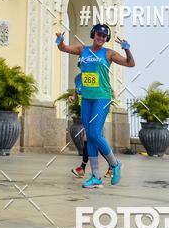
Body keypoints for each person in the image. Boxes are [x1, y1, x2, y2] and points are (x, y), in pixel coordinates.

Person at [56, 24, 135, 188]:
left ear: (106, 39)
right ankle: (96, 177)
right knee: (90, 136)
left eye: (104, 36)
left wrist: (127, 49)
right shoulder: (82, 49)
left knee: (93, 132)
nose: (101, 37)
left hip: (102, 98)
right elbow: (63, 48)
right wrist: (60, 40)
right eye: (98, 34)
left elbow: (130, 63)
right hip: (87, 98)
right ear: (93, 34)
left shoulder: (108, 53)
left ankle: (115, 164)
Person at [70, 61, 112, 179]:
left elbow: (101, 91)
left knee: (89, 138)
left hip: (95, 111)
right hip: (86, 111)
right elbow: (77, 93)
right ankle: (110, 166)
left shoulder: (94, 75)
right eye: (82, 65)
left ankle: (84, 168)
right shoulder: (77, 78)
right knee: (91, 140)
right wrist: (73, 98)